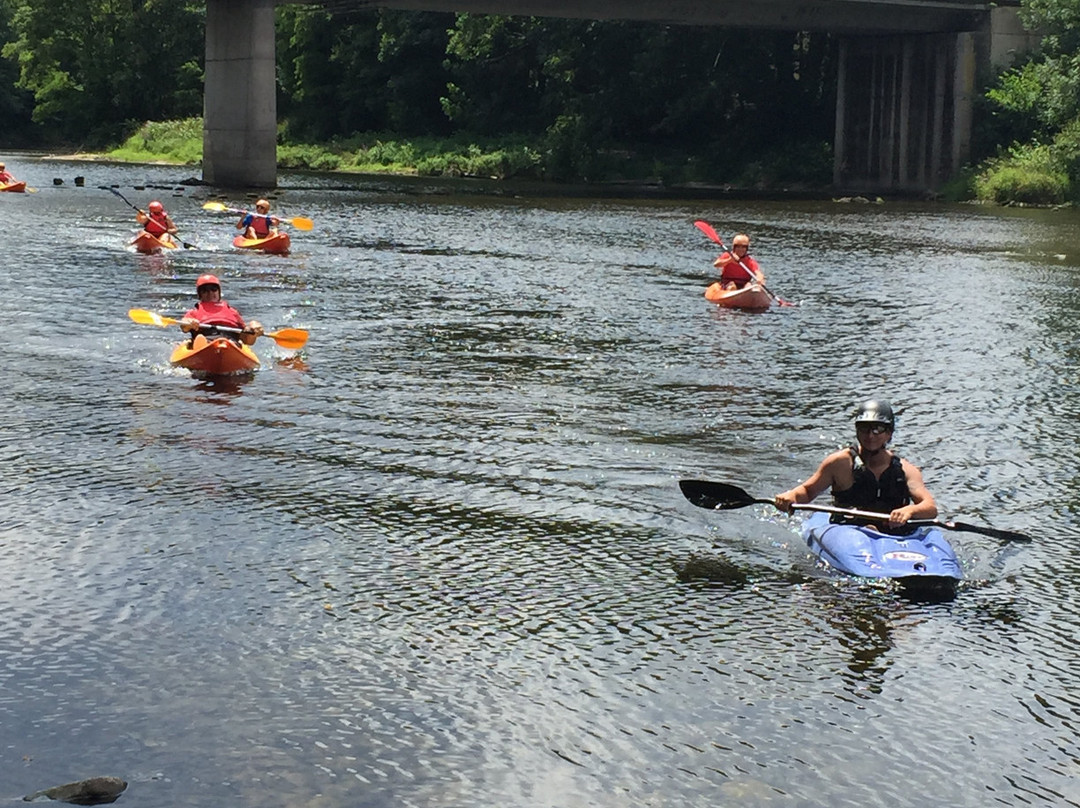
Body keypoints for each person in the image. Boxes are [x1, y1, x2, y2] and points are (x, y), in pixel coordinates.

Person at [774, 400, 938, 532]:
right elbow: (808, 491)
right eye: (864, 428)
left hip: (893, 534)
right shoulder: (839, 463)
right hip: (848, 531)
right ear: (857, 431)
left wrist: (909, 511)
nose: (870, 435)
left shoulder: (906, 470)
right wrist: (791, 496)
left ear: (889, 433)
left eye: (877, 429)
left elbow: (929, 507)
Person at [180, 274, 263, 345]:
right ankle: (200, 344)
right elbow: (184, 326)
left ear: (218, 292)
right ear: (200, 295)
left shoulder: (232, 312)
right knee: (200, 340)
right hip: (205, 337)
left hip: (230, 340)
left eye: (213, 289)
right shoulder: (194, 312)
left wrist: (253, 330)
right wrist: (188, 323)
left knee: (245, 333)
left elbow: (247, 339)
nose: (210, 293)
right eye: (205, 290)